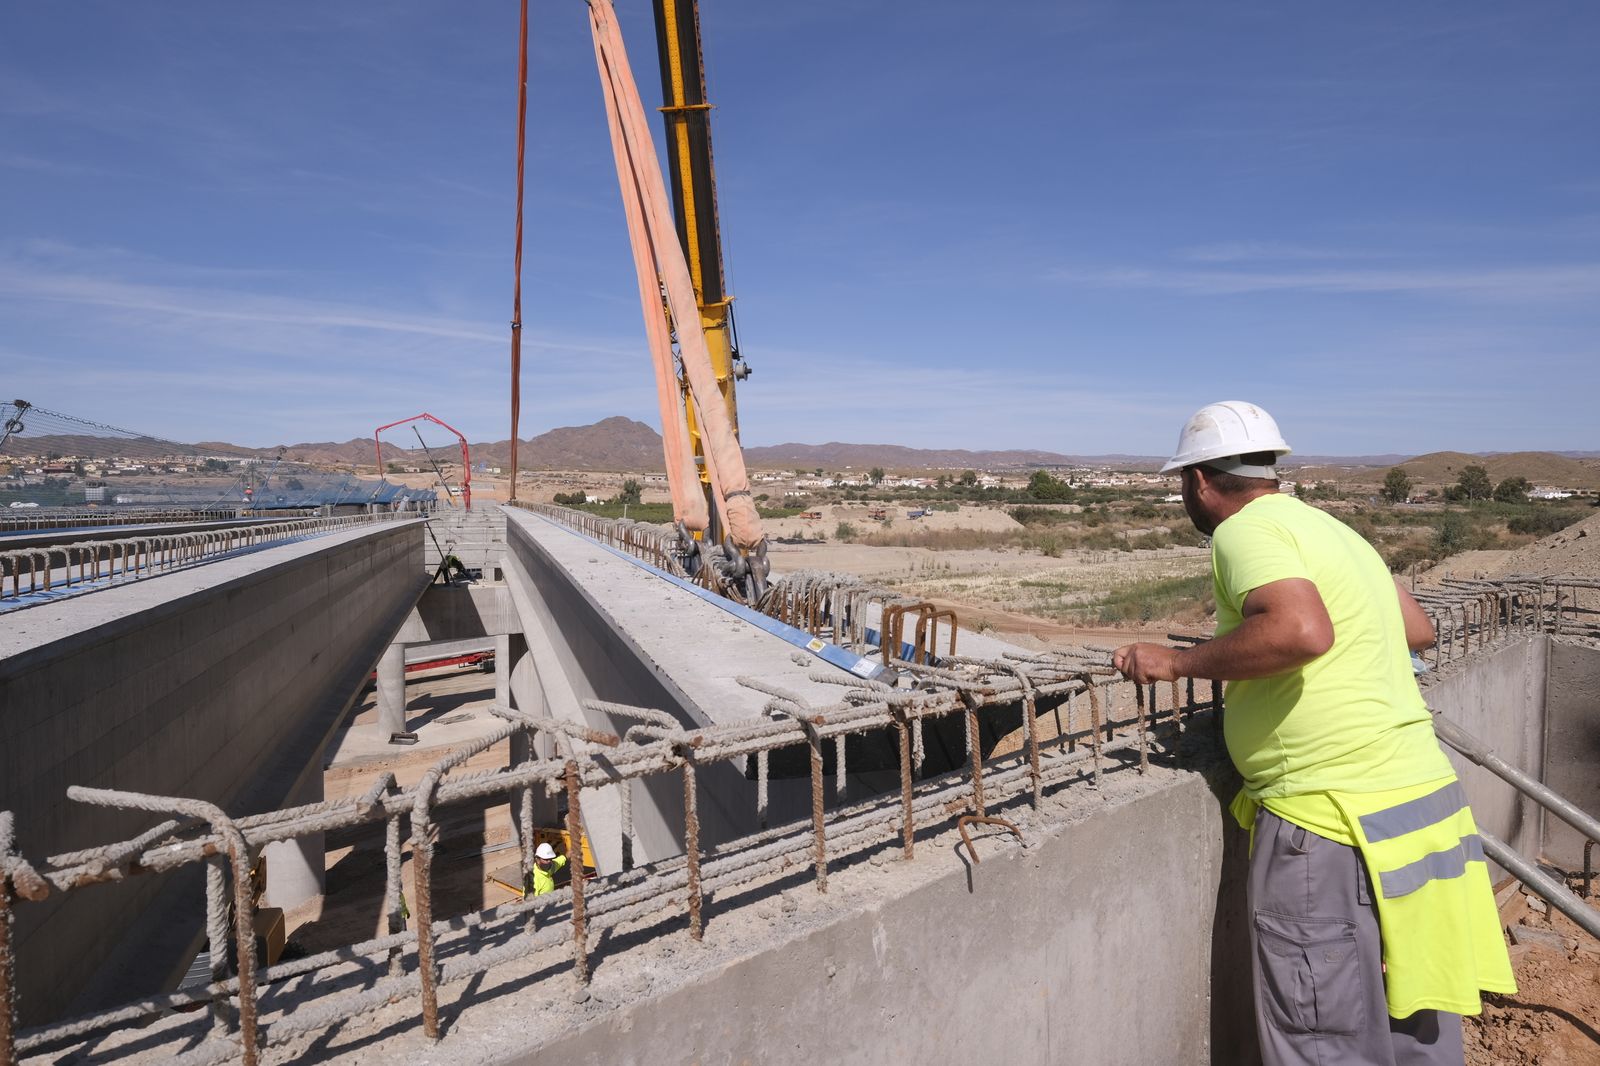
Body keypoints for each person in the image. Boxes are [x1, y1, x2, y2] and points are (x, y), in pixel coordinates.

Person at [1113, 401, 1513, 1066]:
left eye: (1185, 480)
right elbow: (1416, 628)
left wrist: (1177, 661)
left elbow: (1300, 631)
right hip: (1420, 805)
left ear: (1203, 481)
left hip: (1331, 819)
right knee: (1412, 1016)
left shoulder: (1242, 534)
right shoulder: (1333, 532)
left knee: (1321, 1036)